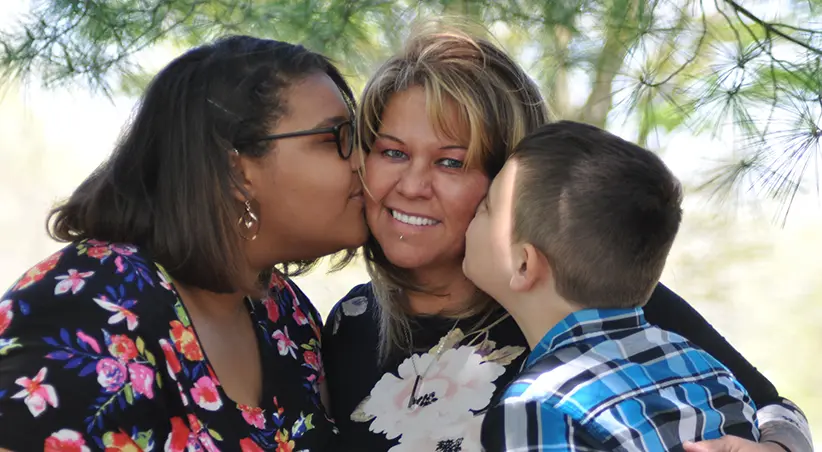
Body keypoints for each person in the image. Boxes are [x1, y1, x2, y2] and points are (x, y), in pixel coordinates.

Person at [321, 21, 813, 452]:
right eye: (392, 152)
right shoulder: (349, 323)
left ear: (510, 182)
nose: (410, 186)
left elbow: (773, 411)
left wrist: (777, 447)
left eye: (452, 162)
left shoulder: (598, 302)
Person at [0, 35, 367, 450]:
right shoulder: (85, 304)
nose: (362, 162)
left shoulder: (287, 315)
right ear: (236, 171)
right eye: (335, 138)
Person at [466, 121, 758, 451]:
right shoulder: (705, 369)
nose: (474, 210)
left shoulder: (538, 407)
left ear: (523, 264)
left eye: (487, 207)